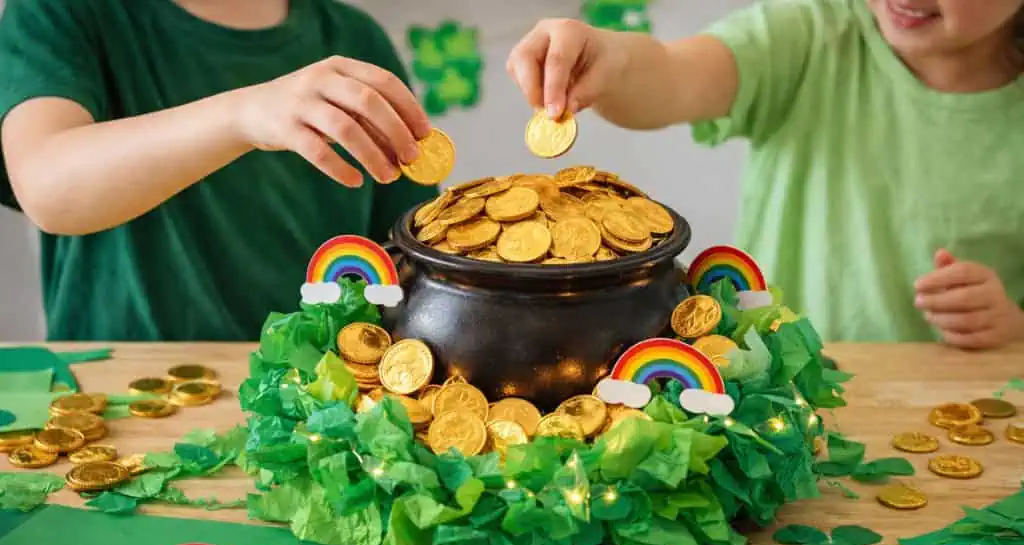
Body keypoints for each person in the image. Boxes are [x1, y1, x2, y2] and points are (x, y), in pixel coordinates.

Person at [508, 0, 1024, 349]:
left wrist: (1013, 326)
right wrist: (613, 57)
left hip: (953, 424)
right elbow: (671, 76)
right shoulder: (808, 33)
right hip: (778, 400)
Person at [0, 0, 437, 342]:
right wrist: (243, 114)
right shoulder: (56, 11)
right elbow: (47, 186)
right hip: (119, 398)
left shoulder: (356, 39)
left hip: (322, 404)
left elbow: (415, 257)